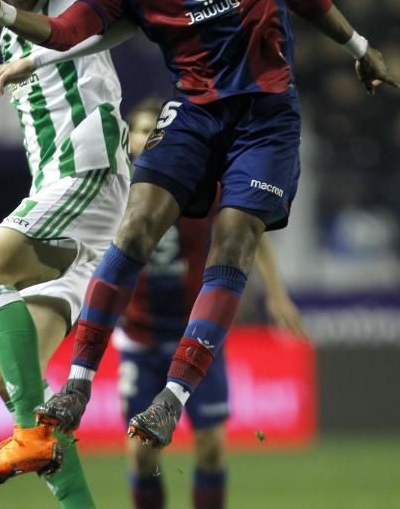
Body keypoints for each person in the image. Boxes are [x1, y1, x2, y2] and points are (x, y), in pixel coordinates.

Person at [0, 0, 400, 453]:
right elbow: (70, 31)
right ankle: (79, 385)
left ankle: (173, 400)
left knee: (234, 240)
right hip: (195, 111)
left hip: (266, 119)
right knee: (135, 227)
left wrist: (360, 46)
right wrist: (5, 15)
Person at [0, 0, 135, 508]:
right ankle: (76, 498)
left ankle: (28, 436)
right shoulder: (13, 28)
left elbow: (90, 31)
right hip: (65, 206)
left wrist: (11, 17)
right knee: (11, 379)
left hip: (87, 172)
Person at [116, 96, 306, 509]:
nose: (150, 140)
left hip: (196, 333)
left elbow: (247, 230)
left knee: (211, 446)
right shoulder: (117, 189)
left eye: (157, 131)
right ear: (129, 138)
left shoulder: (203, 178)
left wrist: (275, 292)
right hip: (139, 337)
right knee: (143, 453)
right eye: (143, 131)